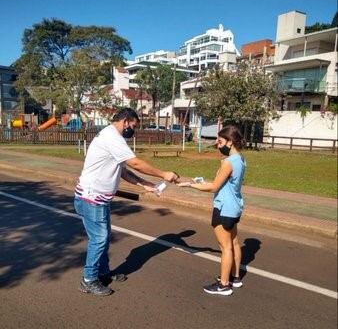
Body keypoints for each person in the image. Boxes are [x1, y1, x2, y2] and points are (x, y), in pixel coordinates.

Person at [74, 108, 179, 296]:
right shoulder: (112, 137)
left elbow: (122, 171)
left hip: (98, 198)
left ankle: (103, 273)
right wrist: (164, 174)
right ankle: (88, 280)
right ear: (125, 120)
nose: (133, 130)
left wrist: (145, 184)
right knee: (99, 239)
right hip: (92, 198)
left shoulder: (112, 137)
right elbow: (135, 163)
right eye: (133, 126)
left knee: (103, 238)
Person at [178, 125, 246, 296]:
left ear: (230, 142)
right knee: (234, 243)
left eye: (220, 141)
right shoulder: (241, 159)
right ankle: (235, 278)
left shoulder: (228, 162)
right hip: (235, 207)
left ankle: (224, 285)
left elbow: (214, 187)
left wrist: (191, 185)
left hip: (224, 208)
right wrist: (200, 181)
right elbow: (223, 183)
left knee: (225, 247)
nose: (217, 144)